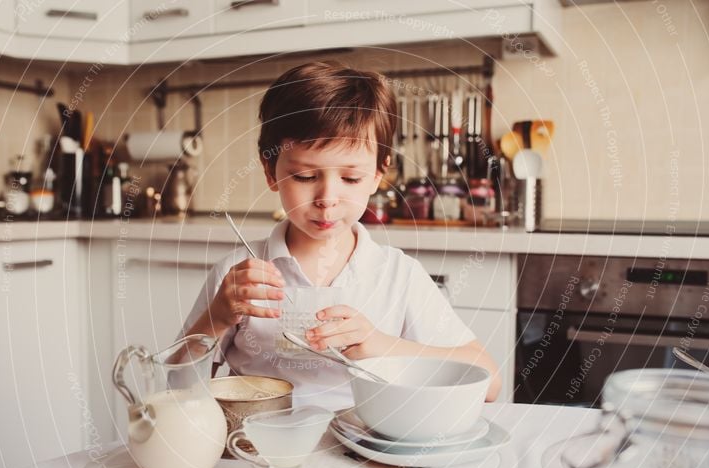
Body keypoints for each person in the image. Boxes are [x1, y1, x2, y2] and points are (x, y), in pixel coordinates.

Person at [181, 61, 501, 409]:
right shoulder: (238, 278)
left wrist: (382, 345)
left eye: (350, 179)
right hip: (257, 450)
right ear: (270, 171)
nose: (327, 200)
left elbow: (489, 383)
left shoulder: (397, 276)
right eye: (304, 176)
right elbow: (178, 386)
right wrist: (215, 319)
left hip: (364, 452)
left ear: (379, 174)